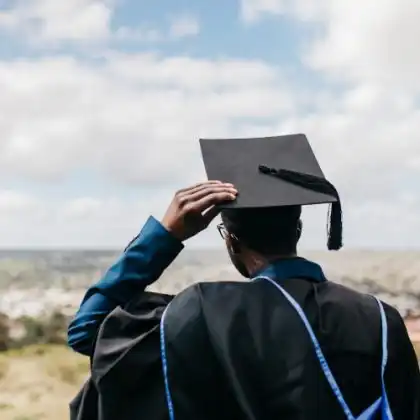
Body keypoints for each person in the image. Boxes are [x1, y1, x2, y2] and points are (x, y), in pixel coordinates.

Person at [68, 134, 420, 420]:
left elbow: (88, 332)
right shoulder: (379, 319)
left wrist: (164, 236)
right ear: (297, 228)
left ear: (232, 241)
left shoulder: (196, 313)